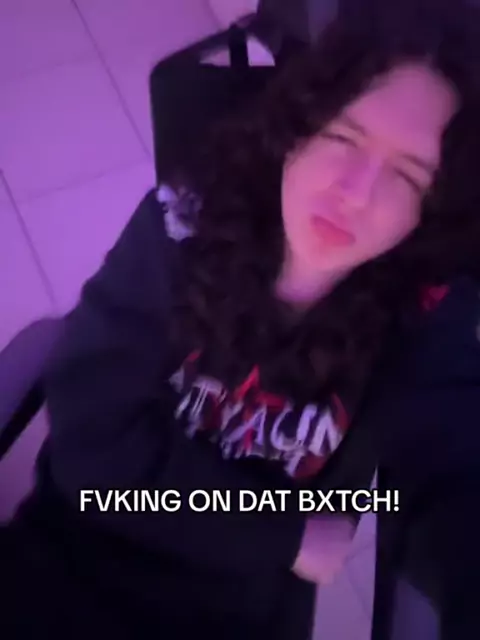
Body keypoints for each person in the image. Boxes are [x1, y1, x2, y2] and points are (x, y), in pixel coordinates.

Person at [3, 4, 480, 639]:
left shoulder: (419, 312)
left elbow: (454, 470)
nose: (355, 193)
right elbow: (94, 452)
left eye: (407, 176)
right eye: (343, 136)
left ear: (429, 209)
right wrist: (284, 536)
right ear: (299, 127)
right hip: (73, 572)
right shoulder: (183, 225)